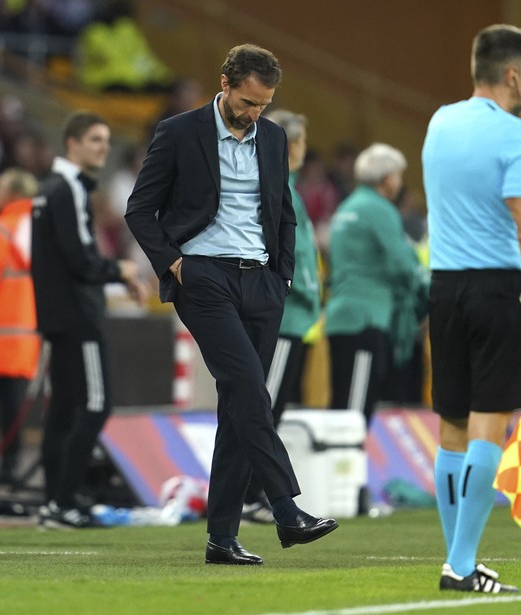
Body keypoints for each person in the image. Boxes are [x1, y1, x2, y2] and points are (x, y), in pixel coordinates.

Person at [125, 43, 338, 565]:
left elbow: (284, 212)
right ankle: (286, 509)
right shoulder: (179, 132)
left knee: (239, 405)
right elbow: (139, 209)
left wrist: (282, 277)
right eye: (247, 102)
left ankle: (222, 538)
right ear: (224, 83)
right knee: (248, 387)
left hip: (261, 283)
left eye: (263, 105)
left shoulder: (273, 137)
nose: (254, 114)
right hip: (205, 277)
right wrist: (174, 264)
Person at [422, 24, 521, 593]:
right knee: (489, 428)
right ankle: (459, 565)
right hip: (496, 291)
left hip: (445, 289)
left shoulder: (440, 120)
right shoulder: (518, 139)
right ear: (513, 75)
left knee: (451, 428)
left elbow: (488, 134)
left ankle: (458, 558)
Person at [32, 111, 148, 528]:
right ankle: (63, 501)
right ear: (73, 143)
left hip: (57, 316)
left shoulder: (48, 190)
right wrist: (121, 270)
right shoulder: (69, 189)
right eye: (96, 139)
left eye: (106, 139)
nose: (103, 147)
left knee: (63, 410)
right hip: (80, 318)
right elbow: (80, 259)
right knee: (96, 406)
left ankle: (55, 501)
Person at [241, 108, 321, 524]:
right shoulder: (274, 185)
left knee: (274, 406)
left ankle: (254, 494)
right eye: (302, 139)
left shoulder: (288, 186)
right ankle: (250, 493)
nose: (305, 148)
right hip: (285, 316)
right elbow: (294, 253)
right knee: (262, 407)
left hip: (298, 318)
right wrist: (298, 287)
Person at [326, 142, 427, 425]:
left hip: (341, 317)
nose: (399, 181)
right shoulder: (380, 209)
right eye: (398, 175)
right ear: (387, 178)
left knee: (342, 402)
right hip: (367, 318)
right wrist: (424, 291)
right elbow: (403, 264)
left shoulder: (347, 206)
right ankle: (347, 469)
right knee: (356, 413)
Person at [0, 167, 40, 484]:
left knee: (6, 407)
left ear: (15, 194)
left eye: (0, 188)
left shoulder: (0, 231)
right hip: (26, 334)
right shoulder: (37, 228)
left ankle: (6, 466)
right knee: (12, 407)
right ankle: (10, 464)